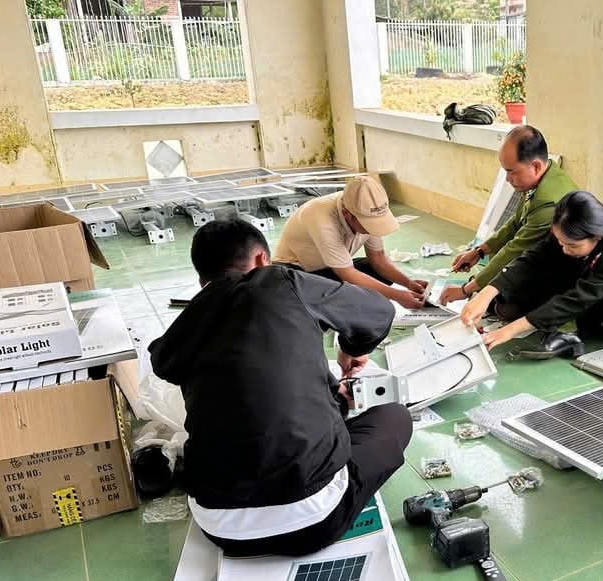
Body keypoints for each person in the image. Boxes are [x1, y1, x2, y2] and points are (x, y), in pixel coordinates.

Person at [149, 218, 412, 557]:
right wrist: (352, 347)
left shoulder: (186, 325)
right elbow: (379, 311)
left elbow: (222, 374)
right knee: (395, 417)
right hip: (313, 520)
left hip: (218, 526)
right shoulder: (281, 281)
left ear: (202, 277)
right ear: (261, 260)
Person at [460, 190, 603, 356]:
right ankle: (581, 323)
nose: (564, 248)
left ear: (597, 235)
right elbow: (533, 259)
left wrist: (509, 331)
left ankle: (591, 327)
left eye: (572, 245)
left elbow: (575, 300)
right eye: (561, 242)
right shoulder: (568, 229)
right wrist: (487, 292)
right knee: (547, 273)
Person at [437, 125, 577, 306]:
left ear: (535, 166)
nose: (507, 179)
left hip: (561, 274)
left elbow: (514, 250)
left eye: (511, 171)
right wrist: (479, 251)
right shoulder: (546, 174)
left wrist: (466, 289)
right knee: (497, 291)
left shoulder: (548, 205)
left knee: (506, 301)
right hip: (541, 258)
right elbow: (515, 222)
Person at [272, 175, 428, 310]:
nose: (371, 230)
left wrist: (408, 283)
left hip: (328, 269)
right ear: (347, 214)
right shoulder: (320, 217)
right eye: (369, 224)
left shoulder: (366, 206)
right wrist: (397, 296)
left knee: (375, 272)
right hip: (296, 274)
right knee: (343, 291)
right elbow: (346, 273)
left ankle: (334, 303)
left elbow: (378, 259)